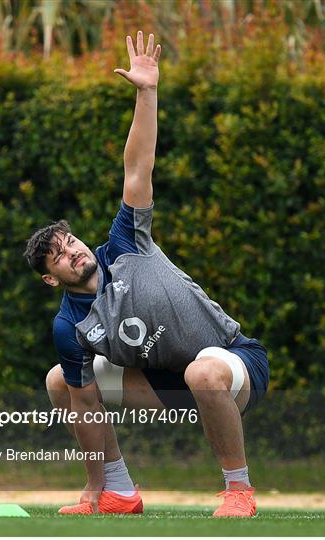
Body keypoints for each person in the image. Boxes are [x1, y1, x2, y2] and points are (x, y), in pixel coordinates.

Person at [24, 31, 269, 518]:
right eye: (57, 256)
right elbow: (84, 405)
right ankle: (117, 491)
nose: (70, 252)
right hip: (166, 385)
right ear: (50, 278)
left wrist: (147, 92)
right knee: (61, 381)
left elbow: (137, 166)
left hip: (233, 367)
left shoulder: (124, 244)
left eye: (68, 242)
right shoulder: (69, 327)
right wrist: (94, 490)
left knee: (203, 369)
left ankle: (238, 490)